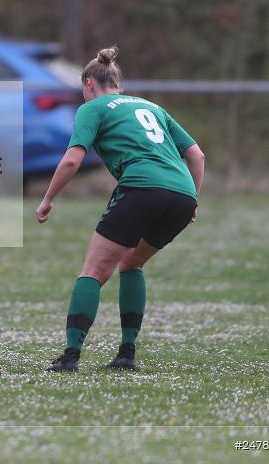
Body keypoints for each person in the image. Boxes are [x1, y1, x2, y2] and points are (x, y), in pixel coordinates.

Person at [36, 47, 206, 372]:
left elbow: (72, 159)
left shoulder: (92, 108)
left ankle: (71, 356)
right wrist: (193, 199)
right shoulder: (152, 107)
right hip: (182, 193)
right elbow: (196, 155)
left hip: (141, 187)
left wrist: (47, 199)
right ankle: (126, 354)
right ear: (118, 84)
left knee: (93, 271)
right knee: (131, 263)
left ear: (88, 83)